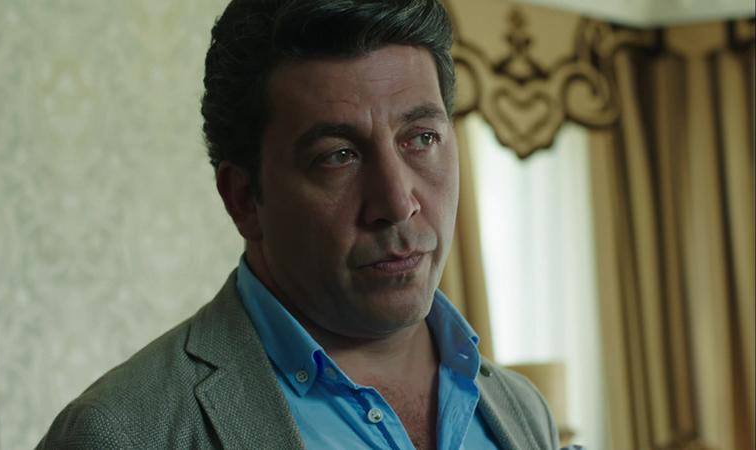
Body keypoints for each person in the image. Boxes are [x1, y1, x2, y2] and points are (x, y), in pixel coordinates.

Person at [37, 0, 561, 448]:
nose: (396, 202)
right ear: (244, 199)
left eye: (421, 138)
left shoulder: (521, 408)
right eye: (338, 155)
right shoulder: (119, 433)